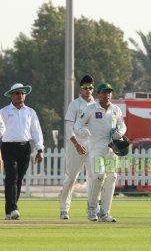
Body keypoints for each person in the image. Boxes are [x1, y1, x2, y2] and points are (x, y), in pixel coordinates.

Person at [74, 83, 126, 222]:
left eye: (109, 92)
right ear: (98, 94)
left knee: (112, 177)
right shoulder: (91, 108)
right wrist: (83, 132)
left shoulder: (116, 110)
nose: (107, 94)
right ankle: (92, 208)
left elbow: (122, 125)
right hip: (96, 147)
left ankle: (105, 213)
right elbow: (77, 124)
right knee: (99, 174)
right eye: (104, 92)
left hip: (111, 148)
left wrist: (119, 133)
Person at [0, 83, 44, 220]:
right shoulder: (4, 112)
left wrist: (40, 149)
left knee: (18, 179)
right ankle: (13, 208)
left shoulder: (30, 112)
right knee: (11, 177)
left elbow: (36, 131)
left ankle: (10, 209)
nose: (20, 95)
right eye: (17, 93)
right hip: (8, 147)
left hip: (25, 147)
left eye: (22, 93)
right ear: (11, 95)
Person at [60, 75, 97, 220]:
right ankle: (64, 209)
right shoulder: (74, 105)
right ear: (80, 89)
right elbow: (69, 128)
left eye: (90, 88)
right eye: (85, 88)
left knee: (94, 178)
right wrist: (77, 144)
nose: (88, 90)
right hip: (76, 144)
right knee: (70, 179)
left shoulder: (96, 105)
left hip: (92, 145)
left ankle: (93, 209)